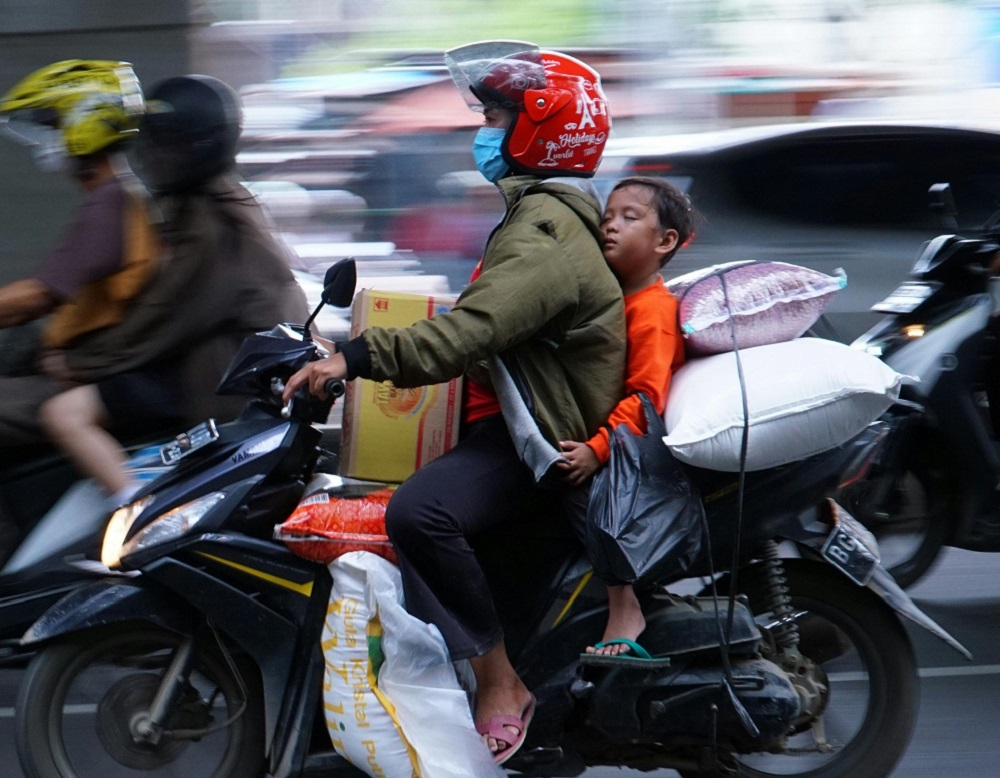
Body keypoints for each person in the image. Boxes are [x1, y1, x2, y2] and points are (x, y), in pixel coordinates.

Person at [283, 41, 625, 764]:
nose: (484, 131)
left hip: (540, 442)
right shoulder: (543, 217)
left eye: (497, 115)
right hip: (513, 425)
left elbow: (473, 331)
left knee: (420, 512)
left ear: (541, 130)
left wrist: (358, 357)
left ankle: (501, 683)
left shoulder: (546, 230)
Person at [0, 64, 307, 511]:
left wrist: (81, 362)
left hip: (212, 387)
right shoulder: (203, 206)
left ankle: (139, 513)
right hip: (205, 373)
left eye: (167, 146)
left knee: (61, 412)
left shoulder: (212, 226)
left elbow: (162, 320)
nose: (153, 157)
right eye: (154, 143)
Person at [555, 176, 697, 658]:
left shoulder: (653, 311)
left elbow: (645, 398)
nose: (610, 227)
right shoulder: (613, 299)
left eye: (628, 218)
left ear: (665, 242)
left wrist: (596, 451)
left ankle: (624, 602)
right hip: (611, 438)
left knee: (574, 488)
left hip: (629, 455)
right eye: (607, 217)